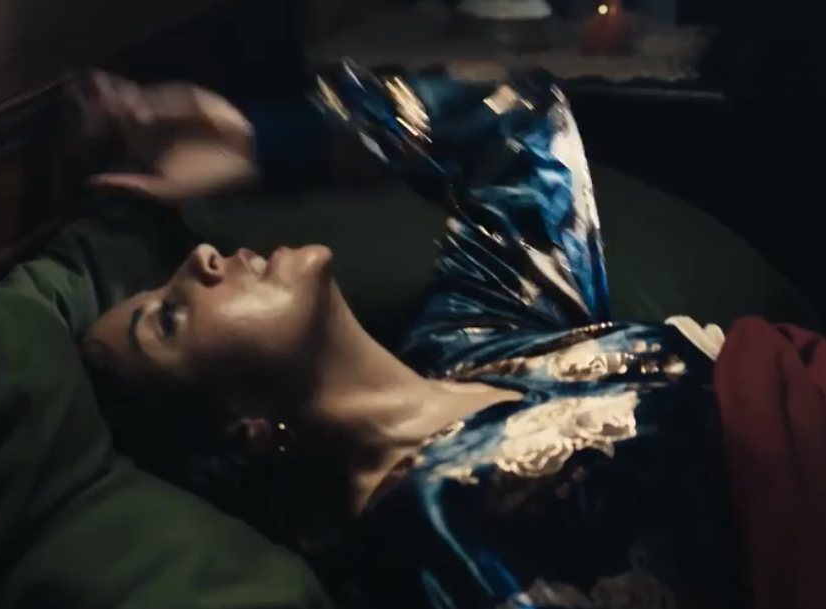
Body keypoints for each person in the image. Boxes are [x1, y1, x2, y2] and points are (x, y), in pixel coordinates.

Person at [81, 62, 744, 608]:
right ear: (244, 426)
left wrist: (265, 142)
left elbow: (514, 112)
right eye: (170, 317)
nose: (199, 261)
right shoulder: (428, 540)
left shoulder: (468, 338)